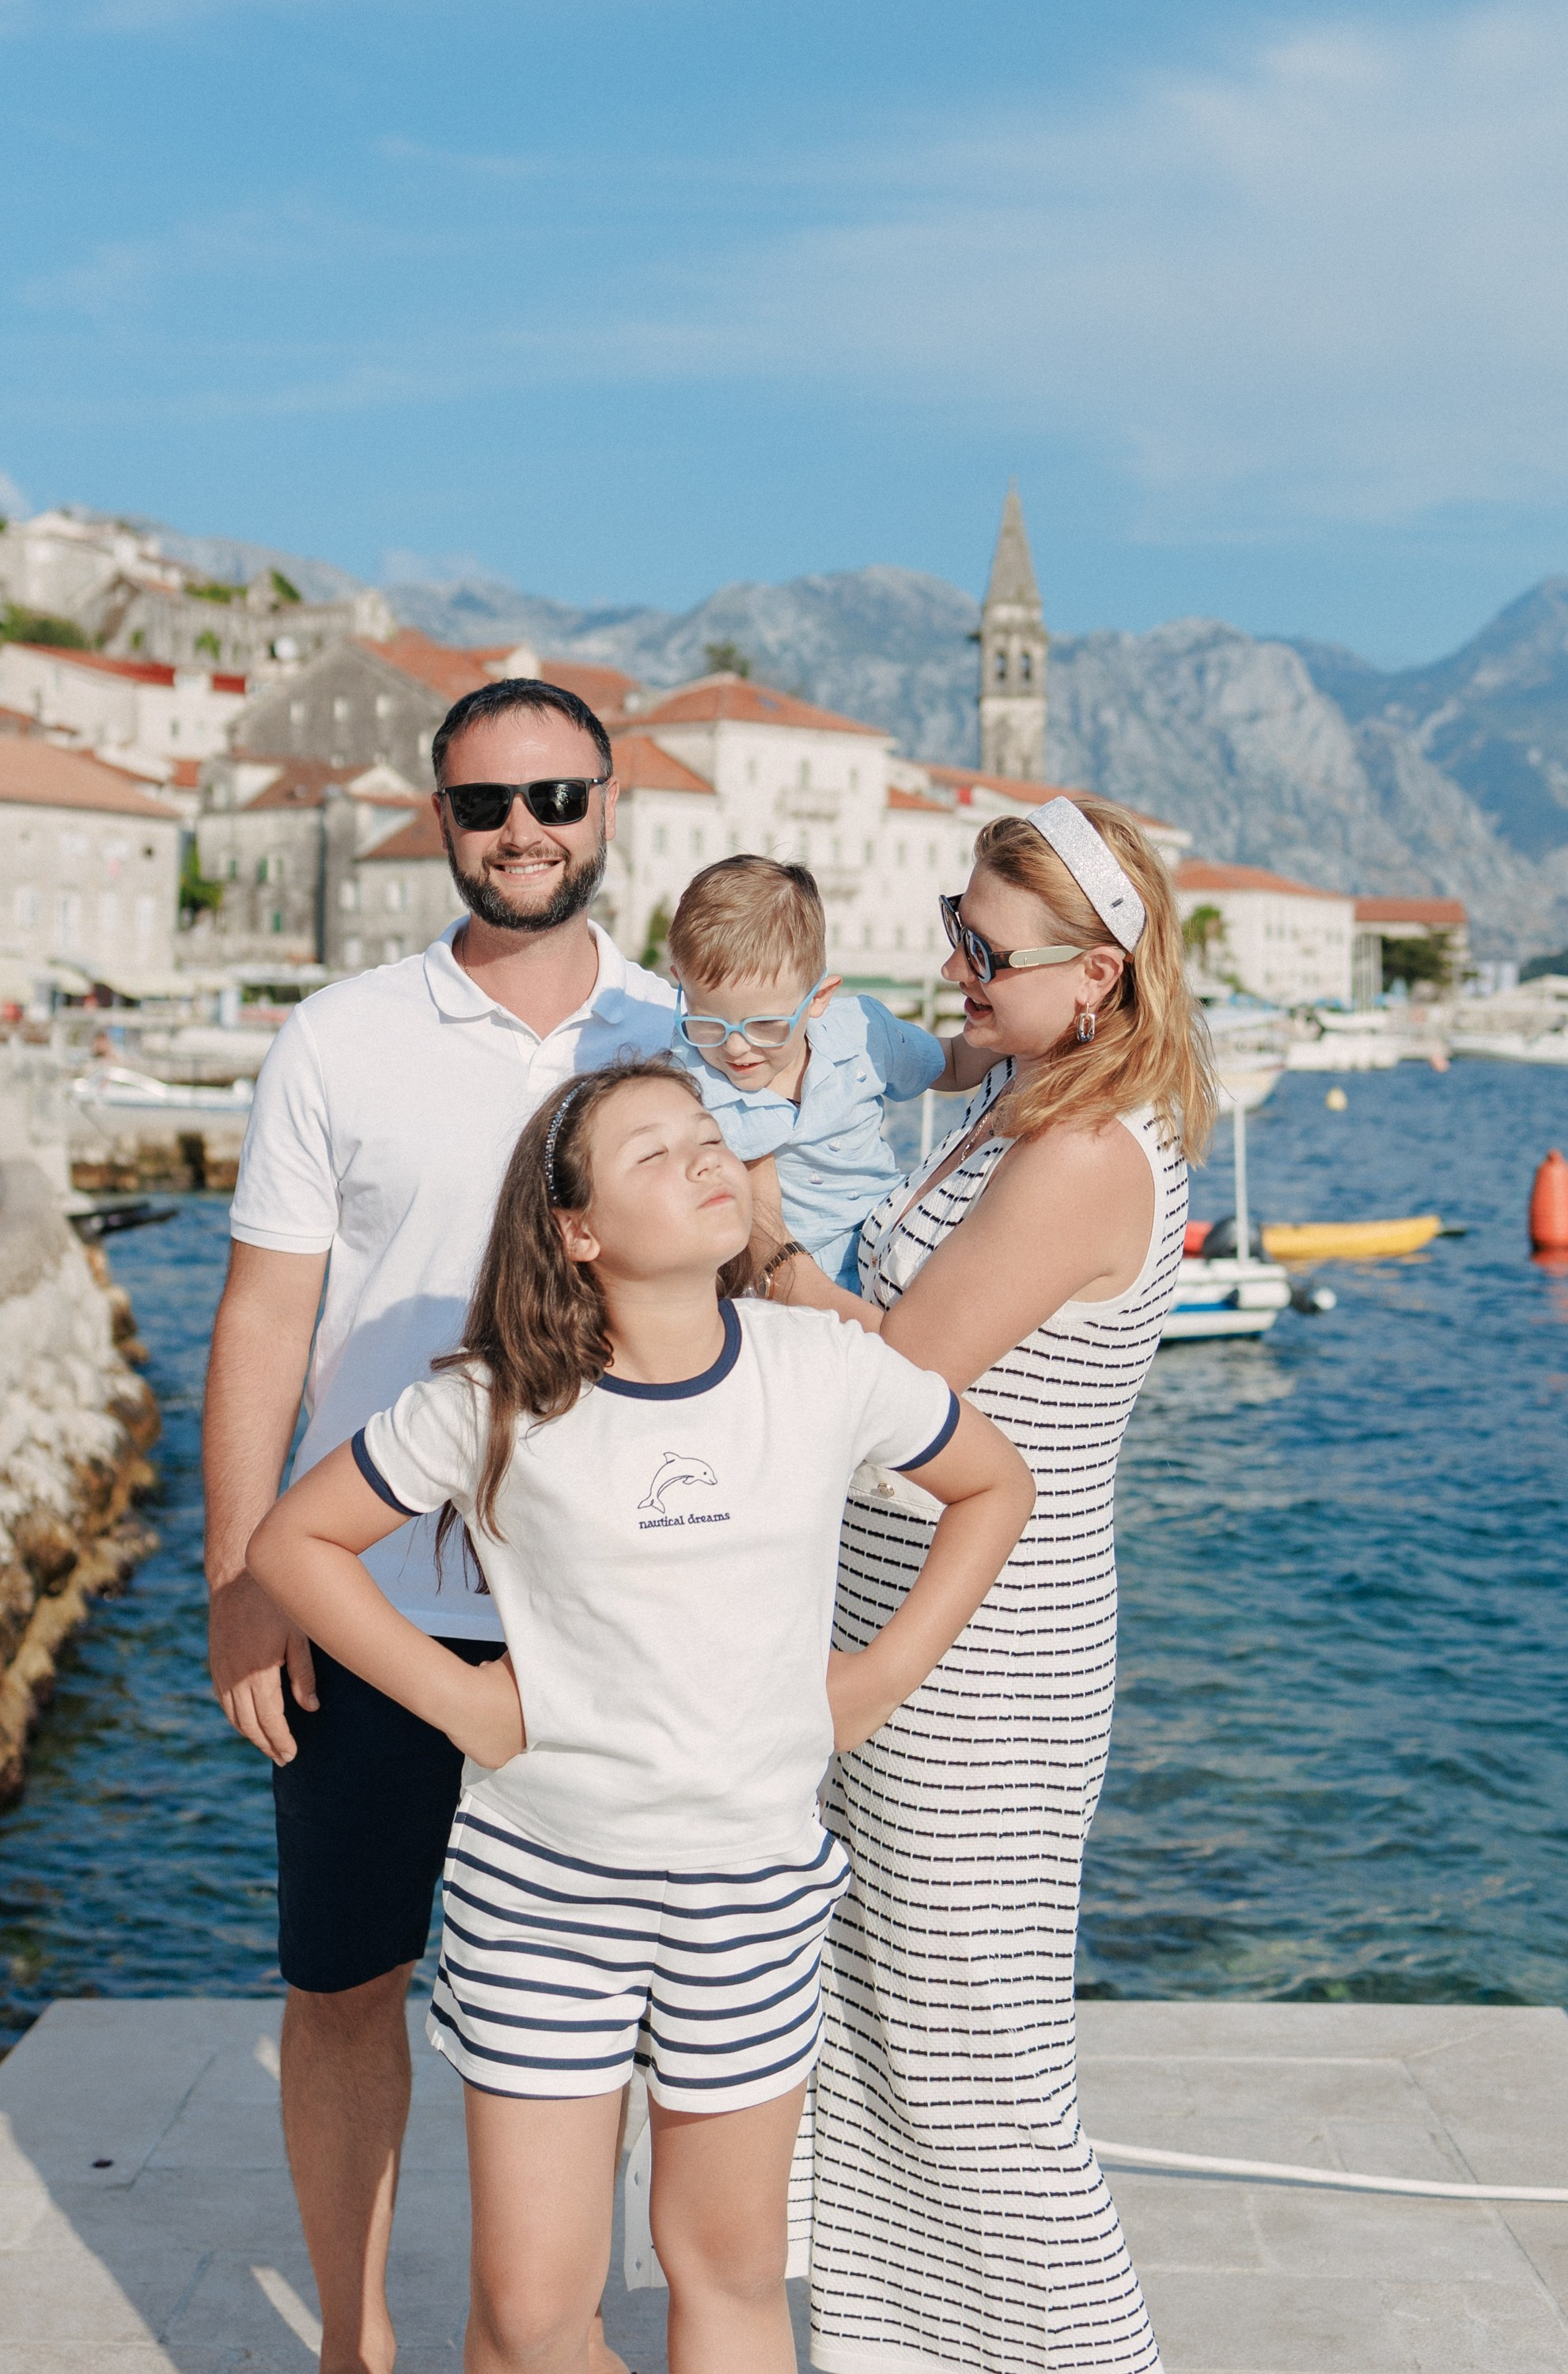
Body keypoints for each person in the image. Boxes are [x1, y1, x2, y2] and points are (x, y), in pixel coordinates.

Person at [246, 1056, 1035, 2374]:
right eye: (652, 1156)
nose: (705, 1159)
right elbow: (295, 1543)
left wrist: (883, 1675)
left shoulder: (824, 1367)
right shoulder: (501, 1401)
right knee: (529, 2317)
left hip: (754, 1890)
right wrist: (463, 1701)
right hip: (544, 1895)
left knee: (727, 2280)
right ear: (578, 1232)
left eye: (707, 1136)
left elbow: (993, 1485)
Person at [202, 677, 676, 2374]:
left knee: (598, 2012)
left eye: (556, 797)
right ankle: (353, 2345)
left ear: (609, 806)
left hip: (610, 1609)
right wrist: (243, 1575)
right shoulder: (340, 1037)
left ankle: (539, 2331)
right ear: (439, 823)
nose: (524, 832)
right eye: (487, 806)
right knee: (342, 1986)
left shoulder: (680, 1031)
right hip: (368, 1601)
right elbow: (263, 1322)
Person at [762, 794, 1218, 2373]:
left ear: (1094, 975)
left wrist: (746, 1237)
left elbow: (896, 1381)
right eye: (953, 924)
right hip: (901, 1635)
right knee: (879, 2041)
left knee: (979, 2077)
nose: (951, 959)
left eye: (983, 945)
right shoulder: (1018, 1099)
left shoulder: (1085, 1149)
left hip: (979, 1667)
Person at [668, 854, 991, 1288]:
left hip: (892, 1246)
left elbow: (951, 1063)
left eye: (765, 1024)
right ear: (680, 986)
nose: (735, 1046)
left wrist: (1037, 1035)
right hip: (778, 1280)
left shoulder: (861, 1033)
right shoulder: (685, 1079)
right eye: (707, 1020)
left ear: (819, 998)